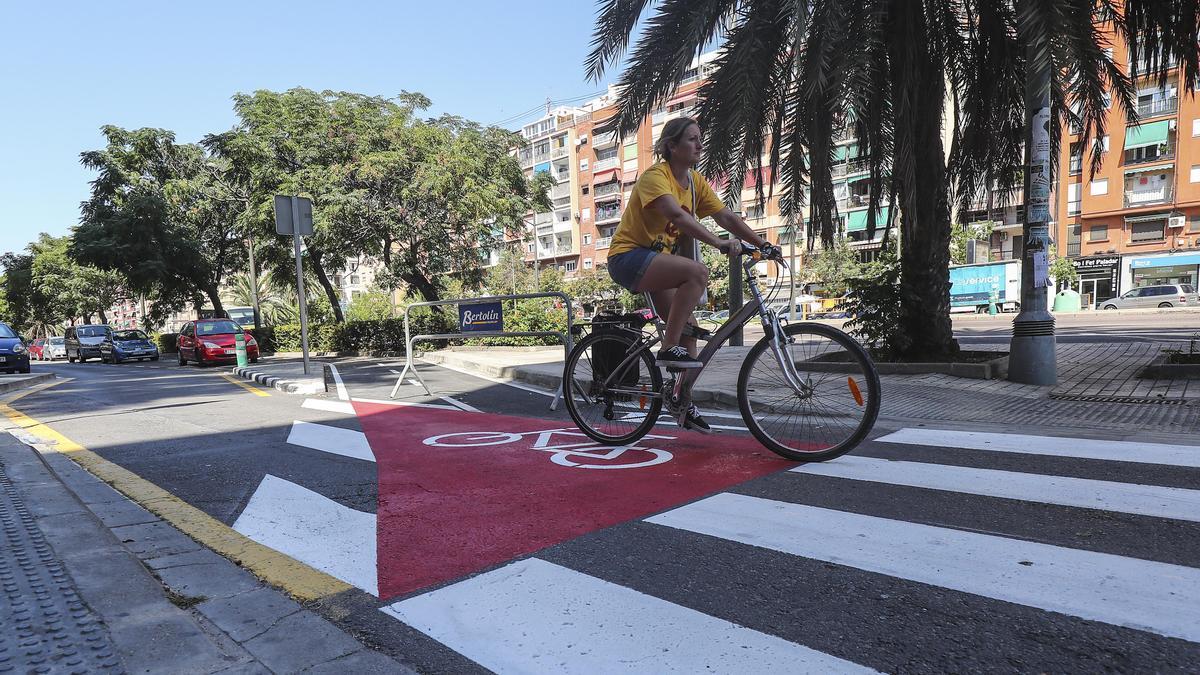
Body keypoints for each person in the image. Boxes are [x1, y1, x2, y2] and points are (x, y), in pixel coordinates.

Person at [605, 116, 774, 432]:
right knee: (697, 272)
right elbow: (674, 215)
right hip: (627, 258)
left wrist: (763, 243)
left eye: (700, 138)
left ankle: (681, 398)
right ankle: (667, 349)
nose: (699, 144)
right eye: (692, 139)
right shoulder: (656, 176)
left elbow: (726, 216)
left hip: (656, 262)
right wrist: (718, 243)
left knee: (692, 330)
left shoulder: (695, 183)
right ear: (672, 146)